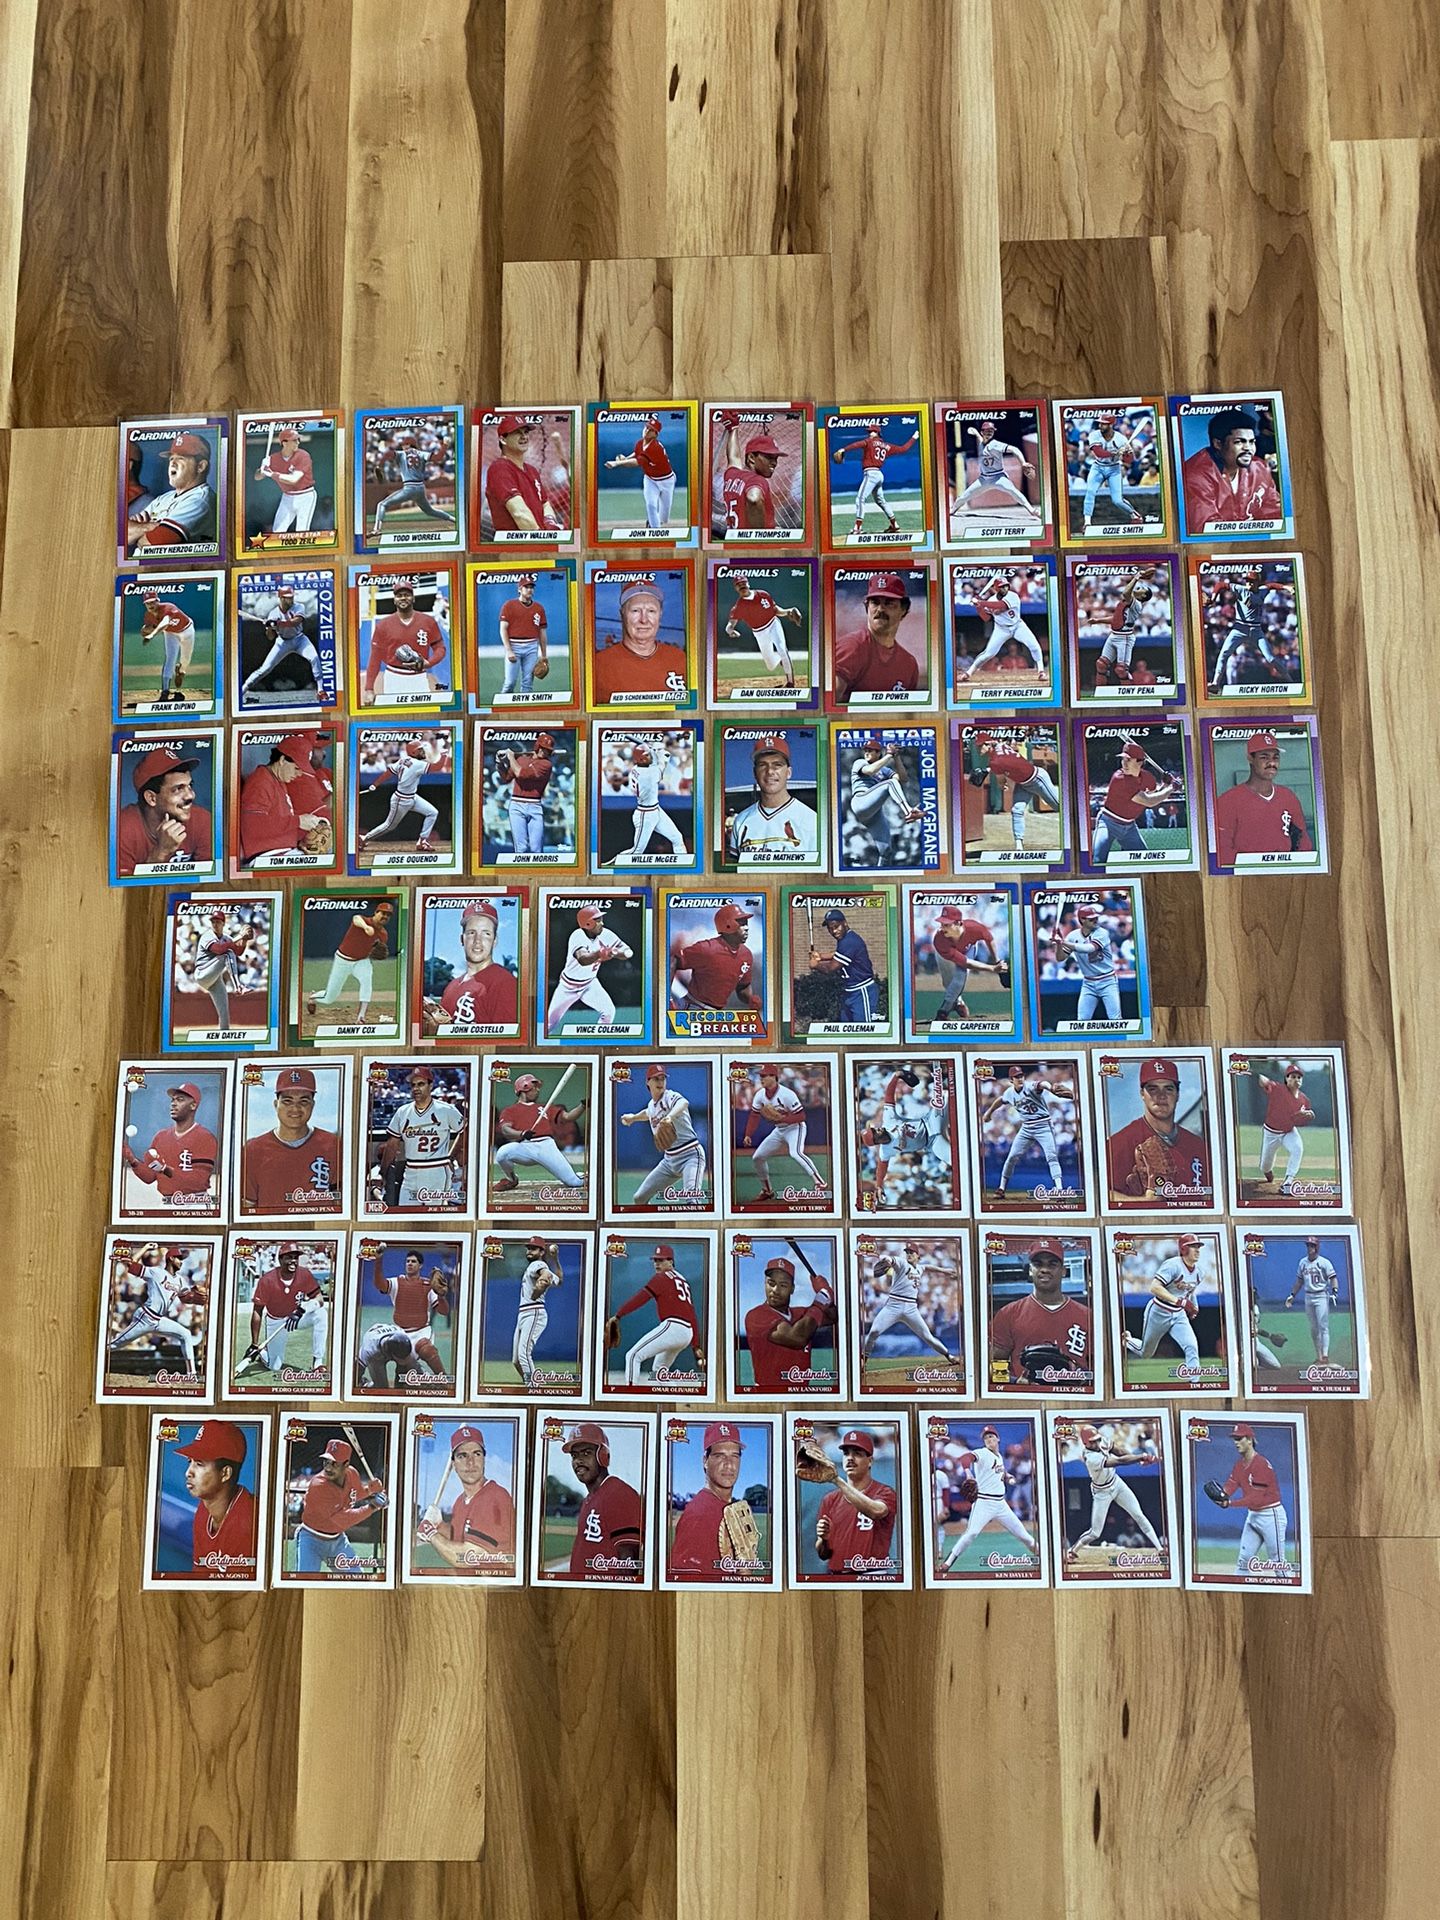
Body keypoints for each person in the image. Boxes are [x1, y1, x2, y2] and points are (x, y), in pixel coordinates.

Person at [175, 1419, 258, 1579]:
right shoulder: (203, 1510)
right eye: (190, 1462)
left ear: (225, 1473)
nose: (188, 1472)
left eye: (199, 1464)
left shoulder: (249, 1522)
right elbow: (200, 1576)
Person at [115, 746, 213, 875]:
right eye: (178, 789)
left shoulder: (203, 820)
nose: (191, 795)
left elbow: (209, 880)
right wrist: (161, 852)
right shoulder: (121, 829)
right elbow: (126, 886)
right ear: (151, 798)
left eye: (190, 786)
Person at [591, 578, 688, 703]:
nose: (644, 620)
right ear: (622, 614)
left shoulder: (680, 659)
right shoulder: (598, 665)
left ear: (660, 615)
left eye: (651, 611)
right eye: (635, 610)